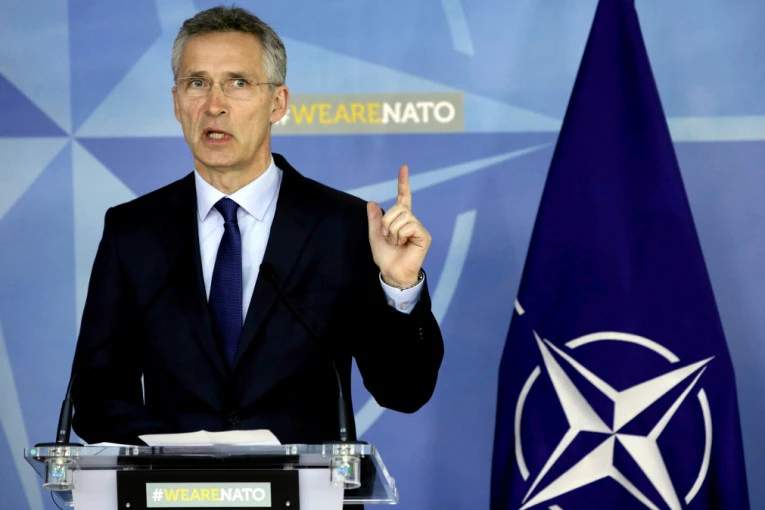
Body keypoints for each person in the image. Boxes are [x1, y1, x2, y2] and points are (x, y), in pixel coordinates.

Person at [70, 6, 444, 446]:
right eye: (197, 83)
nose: (214, 105)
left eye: (238, 83)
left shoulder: (343, 227)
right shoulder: (132, 232)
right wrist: (180, 458)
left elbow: (404, 391)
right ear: (176, 103)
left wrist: (398, 288)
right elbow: (97, 398)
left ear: (278, 103)